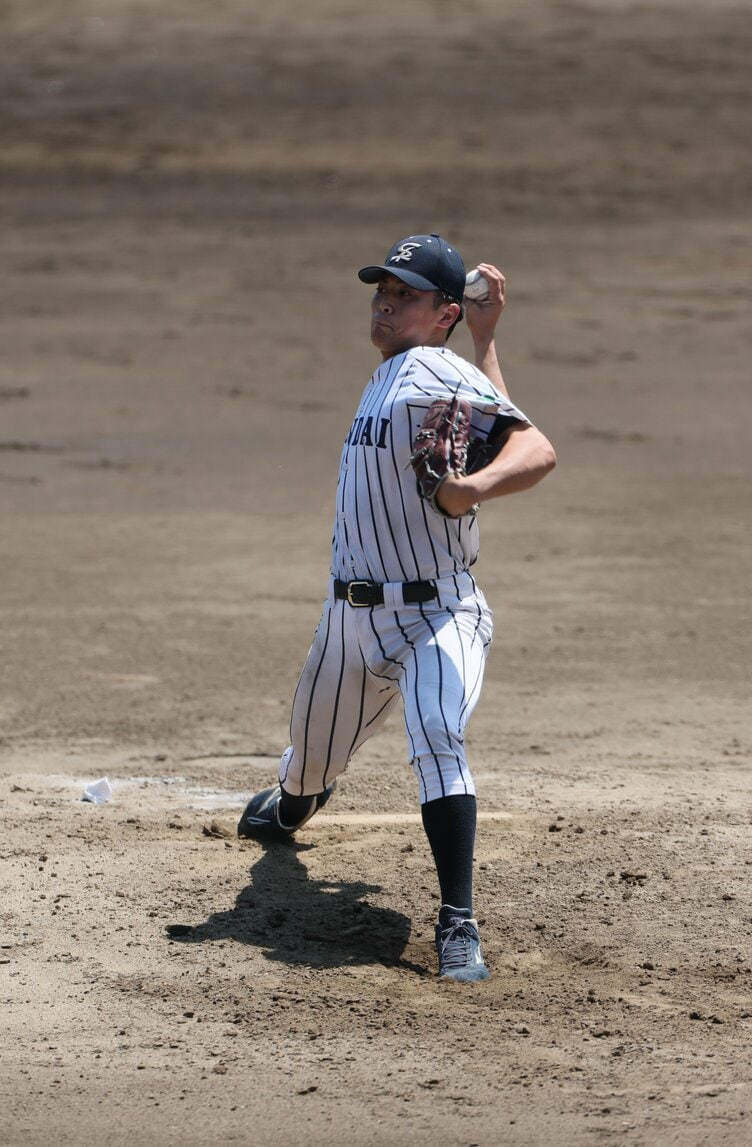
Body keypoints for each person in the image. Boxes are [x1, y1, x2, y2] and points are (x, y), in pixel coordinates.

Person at [239, 234, 556, 982]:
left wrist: (468, 491)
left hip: (435, 615)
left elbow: (532, 448)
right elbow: (495, 419)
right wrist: (486, 342)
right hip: (348, 624)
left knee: (437, 732)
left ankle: (457, 923)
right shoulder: (405, 372)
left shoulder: (425, 371)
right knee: (311, 760)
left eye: (406, 293)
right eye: (382, 287)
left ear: (441, 311)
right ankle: (293, 799)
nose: (385, 299)